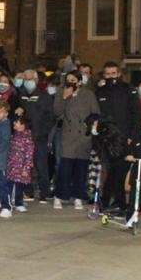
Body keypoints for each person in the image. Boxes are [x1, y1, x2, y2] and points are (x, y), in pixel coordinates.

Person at [53, 70, 100, 210]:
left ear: (79, 82)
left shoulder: (88, 94)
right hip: (68, 135)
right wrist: (64, 97)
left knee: (81, 167)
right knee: (65, 167)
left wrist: (90, 125)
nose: (70, 83)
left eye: (73, 80)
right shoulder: (61, 93)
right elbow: (56, 112)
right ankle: (60, 195)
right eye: (67, 80)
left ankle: (78, 196)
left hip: (84, 136)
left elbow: (96, 112)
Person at [18, 69, 55, 202]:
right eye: (26, 79)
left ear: (36, 80)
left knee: (41, 164)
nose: (28, 82)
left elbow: (50, 116)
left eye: (31, 79)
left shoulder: (44, 96)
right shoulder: (21, 95)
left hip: (39, 136)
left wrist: (43, 133)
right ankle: (28, 191)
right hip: (24, 137)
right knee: (25, 165)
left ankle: (44, 191)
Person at [87, 115, 128, 215]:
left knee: (116, 183)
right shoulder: (101, 131)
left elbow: (110, 136)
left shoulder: (107, 127)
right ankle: (106, 204)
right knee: (110, 184)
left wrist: (98, 134)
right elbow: (99, 146)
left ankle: (119, 206)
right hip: (113, 159)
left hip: (120, 157)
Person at [95, 61, 141, 142]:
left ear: (118, 74)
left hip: (125, 136)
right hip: (105, 137)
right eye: (108, 74)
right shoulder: (99, 92)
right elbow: (96, 114)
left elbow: (137, 113)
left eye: (113, 73)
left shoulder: (128, 89)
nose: (111, 76)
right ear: (104, 75)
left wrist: (132, 135)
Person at [6, 115, 34, 214]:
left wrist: (26, 168)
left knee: (19, 186)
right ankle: (7, 203)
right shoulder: (13, 136)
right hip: (11, 166)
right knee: (9, 185)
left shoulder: (27, 138)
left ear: (23, 125)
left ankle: (19, 203)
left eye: (16, 122)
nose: (14, 123)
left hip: (21, 168)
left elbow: (29, 154)